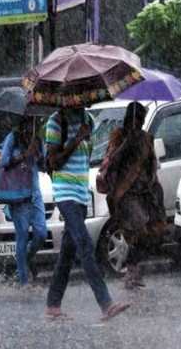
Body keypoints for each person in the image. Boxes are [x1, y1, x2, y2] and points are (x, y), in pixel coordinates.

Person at [44, 108, 130, 321]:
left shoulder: (88, 119)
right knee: (85, 244)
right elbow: (54, 162)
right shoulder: (55, 122)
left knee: (68, 251)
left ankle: (53, 305)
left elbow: (87, 157)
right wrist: (76, 139)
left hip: (82, 193)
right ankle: (106, 303)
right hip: (65, 193)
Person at [103, 102, 166, 290]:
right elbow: (110, 162)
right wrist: (126, 143)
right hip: (126, 193)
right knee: (138, 228)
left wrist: (155, 190)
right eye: (138, 119)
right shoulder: (118, 136)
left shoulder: (147, 139)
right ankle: (131, 271)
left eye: (142, 120)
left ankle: (134, 269)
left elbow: (152, 166)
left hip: (145, 193)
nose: (140, 123)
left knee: (152, 232)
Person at [0, 116, 47, 287]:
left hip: (35, 194)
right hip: (18, 196)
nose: (31, 125)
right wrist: (24, 155)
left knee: (41, 233)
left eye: (34, 122)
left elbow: (44, 166)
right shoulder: (12, 139)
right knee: (22, 235)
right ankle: (23, 280)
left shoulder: (38, 140)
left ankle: (25, 259)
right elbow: (3, 162)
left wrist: (38, 154)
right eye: (27, 122)